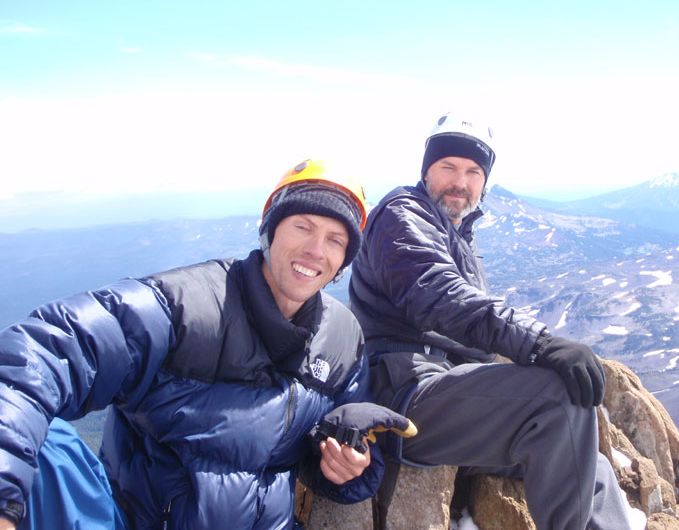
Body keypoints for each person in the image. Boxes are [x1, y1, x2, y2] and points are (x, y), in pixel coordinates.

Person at [0, 158, 415, 530]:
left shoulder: (341, 339)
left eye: (335, 240)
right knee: (52, 444)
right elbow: (47, 350)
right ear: (271, 230)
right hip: (134, 518)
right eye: (302, 227)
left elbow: (340, 460)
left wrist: (344, 464)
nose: (315, 250)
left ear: (344, 261)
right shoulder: (186, 307)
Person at [349, 113, 634, 530]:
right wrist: (540, 345)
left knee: (587, 463)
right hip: (405, 395)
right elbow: (441, 297)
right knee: (556, 398)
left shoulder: (458, 232)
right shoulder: (402, 214)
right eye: (447, 167)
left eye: (473, 172)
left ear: (484, 182)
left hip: (448, 392)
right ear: (426, 170)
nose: (459, 182)